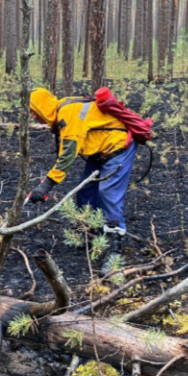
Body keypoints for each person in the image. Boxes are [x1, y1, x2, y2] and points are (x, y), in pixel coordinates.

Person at [27, 88, 138, 266]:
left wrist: (46, 185)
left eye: (33, 111)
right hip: (100, 149)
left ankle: (115, 250)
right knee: (86, 190)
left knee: (108, 193)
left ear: (42, 107)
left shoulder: (67, 114)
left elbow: (67, 156)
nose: (33, 116)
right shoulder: (63, 108)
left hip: (118, 147)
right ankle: (91, 232)